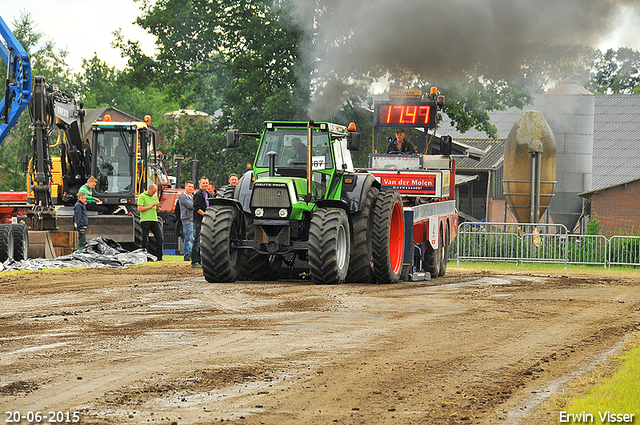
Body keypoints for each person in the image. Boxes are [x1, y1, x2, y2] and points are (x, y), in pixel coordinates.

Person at [137, 183, 164, 261]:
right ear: (149, 189)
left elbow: (157, 211)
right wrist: (151, 206)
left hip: (154, 219)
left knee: (159, 238)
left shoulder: (155, 197)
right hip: (145, 220)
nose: (154, 194)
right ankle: (144, 256)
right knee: (145, 238)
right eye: (153, 192)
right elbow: (140, 209)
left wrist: (158, 207)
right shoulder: (142, 196)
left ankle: (159, 257)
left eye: (155, 192)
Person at [191, 177, 210, 268]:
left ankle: (201, 260)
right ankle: (194, 261)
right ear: (200, 184)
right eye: (203, 183)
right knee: (197, 241)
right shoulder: (198, 194)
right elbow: (197, 208)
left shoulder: (209, 194)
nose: (205, 184)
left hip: (207, 221)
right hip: (199, 220)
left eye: (206, 183)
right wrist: (206, 215)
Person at [178, 180, 195, 262]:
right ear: (185, 187)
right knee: (188, 238)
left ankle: (191, 254)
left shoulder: (192, 196)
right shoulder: (183, 196)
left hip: (192, 218)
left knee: (192, 238)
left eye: (192, 187)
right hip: (187, 219)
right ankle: (187, 255)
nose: (191, 188)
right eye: (189, 186)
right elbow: (191, 206)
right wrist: (194, 206)